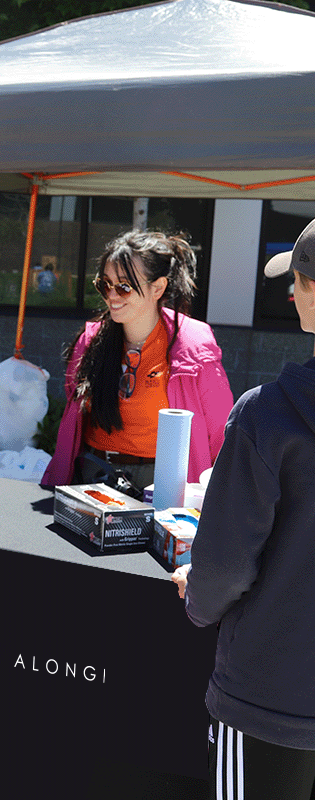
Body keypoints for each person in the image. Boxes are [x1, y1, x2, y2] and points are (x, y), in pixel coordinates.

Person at [172, 217, 315, 799]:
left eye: (299, 279)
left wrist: (198, 597)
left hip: (269, 694)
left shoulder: (267, 416)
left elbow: (223, 568)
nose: (290, 291)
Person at [41, 229, 233, 491]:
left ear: (158, 287)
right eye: (104, 284)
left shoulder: (193, 345)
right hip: (93, 473)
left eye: (124, 286)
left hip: (161, 482)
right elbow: (75, 410)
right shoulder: (91, 340)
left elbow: (219, 428)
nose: (112, 295)